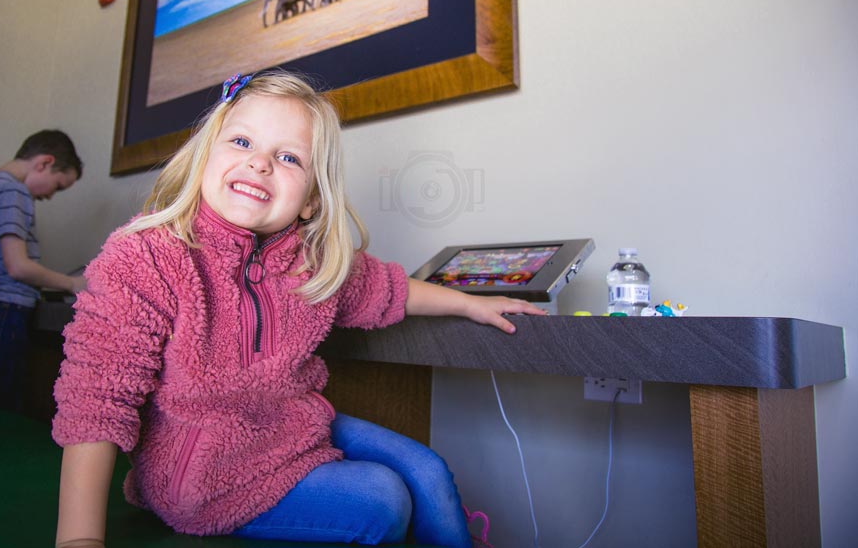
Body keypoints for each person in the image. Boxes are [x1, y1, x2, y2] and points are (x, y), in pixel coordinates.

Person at [52, 72, 545, 548]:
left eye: (287, 157)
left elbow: (392, 289)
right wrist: (79, 537)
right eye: (242, 143)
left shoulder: (313, 264)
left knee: (427, 469)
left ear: (310, 200)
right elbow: (95, 401)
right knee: (384, 498)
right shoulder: (144, 256)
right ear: (205, 156)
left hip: (288, 426)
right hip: (203, 476)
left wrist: (472, 303)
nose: (260, 163)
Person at [0, 129, 86, 411]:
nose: (50, 196)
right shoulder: (14, 191)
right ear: (44, 163)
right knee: (0, 409)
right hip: (4, 312)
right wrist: (73, 284)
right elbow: (17, 266)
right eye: (57, 186)